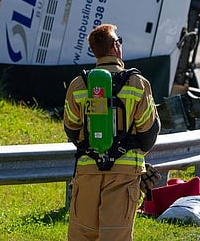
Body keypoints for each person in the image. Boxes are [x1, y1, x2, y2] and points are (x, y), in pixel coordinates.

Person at [63, 23, 160, 241]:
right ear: (116, 47)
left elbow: (71, 128)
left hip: (87, 169)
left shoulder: (79, 84)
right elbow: (148, 130)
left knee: (82, 233)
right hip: (124, 171)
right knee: (115, 235)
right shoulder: (137, 83)